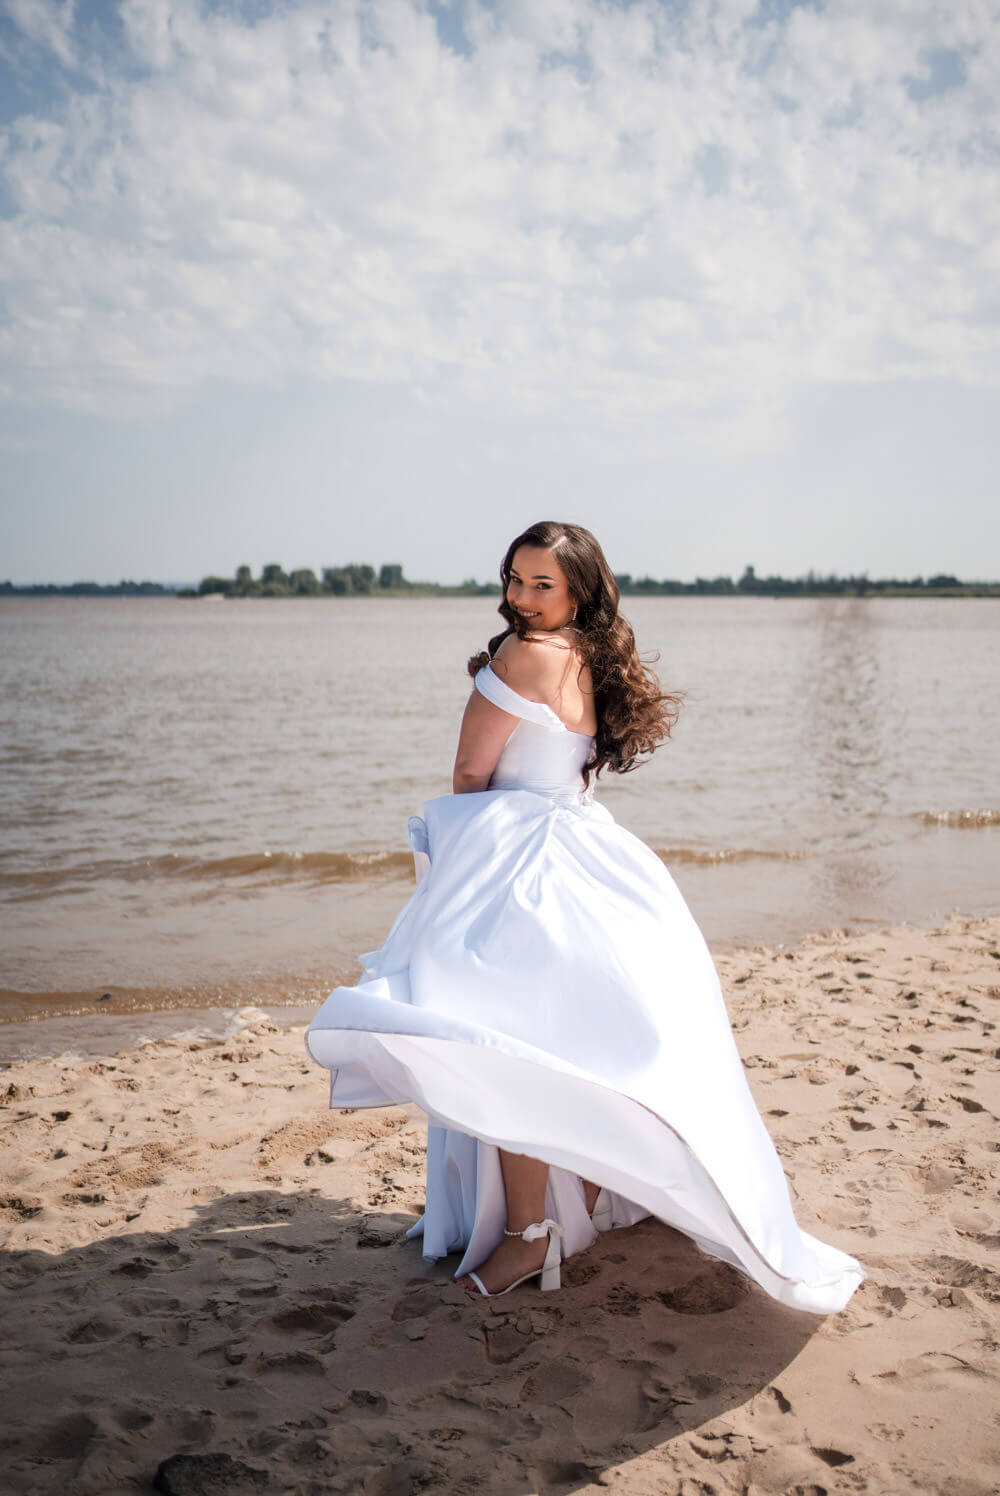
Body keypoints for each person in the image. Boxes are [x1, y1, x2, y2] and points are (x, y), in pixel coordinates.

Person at [307, 521, 863, 1312]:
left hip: (522, 863)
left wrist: (465, 860)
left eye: (543, 585)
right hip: (588, 849)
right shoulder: (590, 654)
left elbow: (469, 773)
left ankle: (529, 1235)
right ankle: (583, 1205)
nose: (522, 597)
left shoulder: (522, 654)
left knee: (506, 1045)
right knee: (579, 1040)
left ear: (577, 592)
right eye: (516, 579)